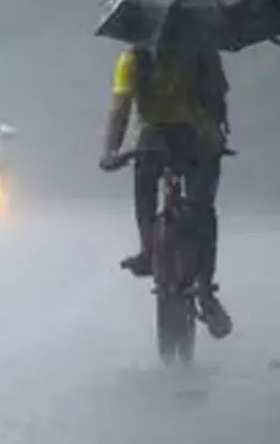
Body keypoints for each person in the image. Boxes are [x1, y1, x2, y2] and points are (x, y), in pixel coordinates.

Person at [98, 17, 232, 338]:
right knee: (202, 209)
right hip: (195, 138)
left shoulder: (134, 59)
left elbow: (120, 109)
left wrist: (111, 152)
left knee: (148, 185)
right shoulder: (203, 53)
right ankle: (204, 289)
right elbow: (219, 102)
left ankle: (150, 249)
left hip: (160, 138)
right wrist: (217, 135)